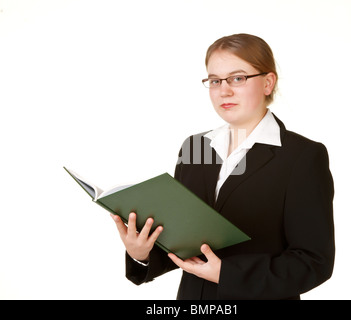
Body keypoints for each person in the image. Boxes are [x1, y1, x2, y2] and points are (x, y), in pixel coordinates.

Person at [111, 33, 335, 300]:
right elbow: (185, 242)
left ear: (268, 82)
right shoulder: (195, 147)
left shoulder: (302, 156)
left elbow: (313, 262)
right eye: (215, 80)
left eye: (237, 78)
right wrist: (141, 254)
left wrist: (227, 273)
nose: (223, 90)